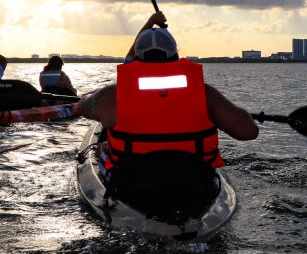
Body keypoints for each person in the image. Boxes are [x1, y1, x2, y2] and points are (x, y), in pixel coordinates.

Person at [78, 11, 258, 188]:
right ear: (176, 55)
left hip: (132, 182)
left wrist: (88, 97)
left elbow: (83, 107)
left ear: (136, 59)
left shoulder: (112, 96)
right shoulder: (205, 94)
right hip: (195, 180)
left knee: (101, 147)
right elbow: (249, 132)